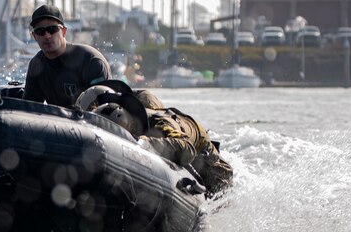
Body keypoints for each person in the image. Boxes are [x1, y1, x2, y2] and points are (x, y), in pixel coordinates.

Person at [77, 83, 234, 196]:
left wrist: (145, 143)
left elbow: (187, 149)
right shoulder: (128, 110)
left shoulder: (158, 122)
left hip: (203, 155)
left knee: (219, 189)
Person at [22, 4, 111, 108]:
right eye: (40, 31)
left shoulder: (91, 61)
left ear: (63, 32)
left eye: (52, 29)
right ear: (34, 36)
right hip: (57, 122)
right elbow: (29, 109)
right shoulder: (36, 65)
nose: (47, 36)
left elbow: (105, 111)